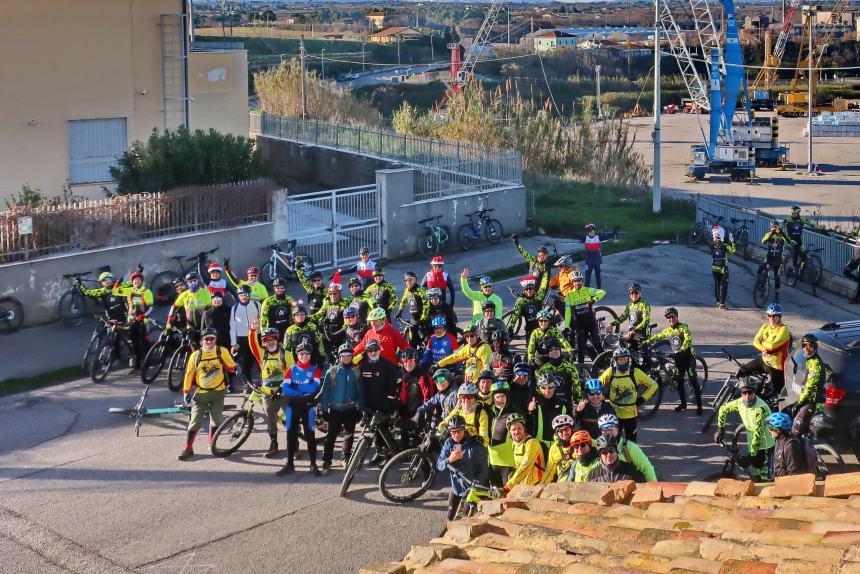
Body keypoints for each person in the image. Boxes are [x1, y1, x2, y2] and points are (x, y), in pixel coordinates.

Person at [178, 327, 237, 460]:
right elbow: (189, 374)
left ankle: (212, 445)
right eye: (206, 339)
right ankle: (188, 448)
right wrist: (186, 392)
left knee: (216, 421)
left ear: (216, 339)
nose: (209, 341)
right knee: (195, 422)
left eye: (212, 339)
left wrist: (236, 368)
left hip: (218, 392)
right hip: (201, 394)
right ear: (201, 340)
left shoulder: (221, 351)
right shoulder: (196, 355)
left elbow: (230, 364)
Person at [644, 307, 703, 414]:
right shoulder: (668, 330)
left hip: (688, 357)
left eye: (673, 317)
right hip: (678, 360)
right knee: (679, 382)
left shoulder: (683, 327)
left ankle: (699, 406)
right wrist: (645, 343)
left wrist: (680, 351)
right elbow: (657, 337)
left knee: (693, 381)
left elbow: (688, 339)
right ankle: (683, 404)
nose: (671, 319)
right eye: (668, 318)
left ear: (677, 317)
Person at [277, 343, 323, 476]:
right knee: (290, 435)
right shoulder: (291, 369)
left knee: (310, 436)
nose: (304, 356)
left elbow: (314, 388)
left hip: (308, 408)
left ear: (310, 355)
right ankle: (289, 464)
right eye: (301, 354)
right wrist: (303, 390)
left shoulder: (315, 370)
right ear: (297, 355)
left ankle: (313, 464)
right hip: (293, 407)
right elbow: (285, 389)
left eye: (307, 353)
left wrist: (295, 387)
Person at [715, 379, 775, 482]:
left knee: (764, 480)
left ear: (755, 392)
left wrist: (751, 457)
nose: (747, 396)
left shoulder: (762, 409)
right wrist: (721, 430)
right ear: (741, 393)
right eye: (744, 393)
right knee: (756, 474)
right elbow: (723, 409)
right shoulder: (739, 403)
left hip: (765, 446)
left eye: (750, 392)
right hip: (753, 443)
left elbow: (758, 435)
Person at [248, 321, 292, 458]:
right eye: (267, 340)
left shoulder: (287, 354)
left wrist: (282, 388)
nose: (270, 342)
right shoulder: (262, 354)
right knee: (271, 421)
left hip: (284, 392)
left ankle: (294, 444)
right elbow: (253, 345)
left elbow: (292, 373)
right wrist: (252, 330)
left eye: (273, 339)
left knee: (291, 419)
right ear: (264, 342)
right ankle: (274, 445)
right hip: (267, 393)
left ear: (277, 339)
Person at [319, 343, 364, 474]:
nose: (346, 357)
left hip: (350, 409)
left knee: (349, 435)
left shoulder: (356, 371)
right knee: (331, 436)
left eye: (349, 355)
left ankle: (346, 457)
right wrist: (324, 409)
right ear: (339, 357)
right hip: (335, 409)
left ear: (352, 356)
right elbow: (325, 391)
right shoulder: (332, 371)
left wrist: (360, 408)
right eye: (343, 355)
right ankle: (327, 461)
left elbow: (360, 391)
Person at [598, 347, 658, 442]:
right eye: (620, 359)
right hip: (614, 413)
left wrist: (643, 398)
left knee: (631, 443)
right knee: (614, 442)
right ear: (615, 360)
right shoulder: (611, 372)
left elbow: (654, 385)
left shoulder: (636, 372)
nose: (623, 362)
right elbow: (597, 384)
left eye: (625, 359)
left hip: (631, 414)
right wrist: (598, 397)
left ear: (629, 359)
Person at [437, 415, 489, 521]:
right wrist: (449, 459)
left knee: (464, 518)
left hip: (471, 487)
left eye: (459, 431)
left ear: (464, 430)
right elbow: (439, 465)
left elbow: (484, 469)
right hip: (456, 487)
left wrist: (475, 484)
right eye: (452, 432)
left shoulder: (475, 445)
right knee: (450, 517)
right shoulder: (449, 443)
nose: (455, 435)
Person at [357, 339, 401, 465]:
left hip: (383, 405)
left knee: (384, 430)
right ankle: (379, 452)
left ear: (380, 349)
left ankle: (388, 456)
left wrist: (387, 404)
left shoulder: (387, 365)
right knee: (375, 430)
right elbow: (360, 386)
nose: (373, 352)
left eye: (375, 349)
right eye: (370, 350)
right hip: (369, 405)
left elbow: (393, 387)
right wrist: (362, 405)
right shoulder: (362, 365)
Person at [738, 303, 791, 395]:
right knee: (741, 372)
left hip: (777, 366)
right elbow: (755, 341)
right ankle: (749, 394)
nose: (771, 318)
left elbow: (772, 346)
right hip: (764, 360)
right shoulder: (765, 327)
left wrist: (763, 343)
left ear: (780, 316)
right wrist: (764, 348)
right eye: (769, 315)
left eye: (774, 316)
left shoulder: (784, 330)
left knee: (780, 394)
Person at [790, 333, 833, 436]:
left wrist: (799, 403)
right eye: (804, 345)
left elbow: (810, 387)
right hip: (810, 400)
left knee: (795, 431)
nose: (806, 348)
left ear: (815, 346)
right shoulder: (812, 360)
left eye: (809, 345)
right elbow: (827, 370)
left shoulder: (815, 364)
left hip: (812, 402)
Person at [493, 413, 545, 496]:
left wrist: (507, 488)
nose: (517, 431)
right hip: (523, 485)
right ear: (509, 431)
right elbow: (518, 466)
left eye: (519, 428)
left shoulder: (532, 443)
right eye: (513, 429)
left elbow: (524, 467)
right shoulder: (514, 443)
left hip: (536, 485)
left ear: (524, 429)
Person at [563, 270, 606, 364]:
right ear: (572, 282)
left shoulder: (587, 290)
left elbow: (602, 292)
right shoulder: (569, 296)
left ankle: (606, 362)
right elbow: (567, 313)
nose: (577, 282)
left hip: (591, 323)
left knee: (596, 343)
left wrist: (592, 301)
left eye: (579, 280)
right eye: (575, 281)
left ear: (582, 281)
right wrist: (566, 326)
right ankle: (581, 370)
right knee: (581, 349)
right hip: (580, 326)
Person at [597, 414, 657, 482]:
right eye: (604, 430)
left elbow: (647, 468)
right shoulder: (599, 448)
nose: (608, 432)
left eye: (611, 428)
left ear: (617, 429)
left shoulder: (629, 447)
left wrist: (654, 489)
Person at [119, 270, 154, 374]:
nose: (136, 282)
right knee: (134, 343)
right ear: (132, 282)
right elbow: (116, 291)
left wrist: (143, 316)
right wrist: (116, 285)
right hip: (131, 320)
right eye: (135, 280)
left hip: (142, 321)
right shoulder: (129, 291)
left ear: (141, 281)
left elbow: (151, 307)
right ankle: (137, 366)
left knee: (143, 343)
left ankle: (147, 362)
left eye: (139, 280)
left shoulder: (146, 292)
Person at [608, 282, 652, 362]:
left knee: (645, 355)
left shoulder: (644, 304)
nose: (634, 295)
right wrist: (612, 324)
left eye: (636, 292)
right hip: (632, 333)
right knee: (628, 349)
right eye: (632, 293)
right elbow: (623, 317)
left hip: (642, 333)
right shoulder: (629, 306)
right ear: (629, 295)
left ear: (640, 293)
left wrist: (635, 330)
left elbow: (646, 320)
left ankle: (648, 368)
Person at [486, 381, 519, 487]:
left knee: (507, 493)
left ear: (507, 397)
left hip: (508, 462)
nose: (499, 400)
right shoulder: (489, 411)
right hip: (492, 460)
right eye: (497, 397)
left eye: (502, 396)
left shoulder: (514, 412)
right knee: (494, 492)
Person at [528, 374, 571, 450]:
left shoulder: (563, 404)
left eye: (550, 387)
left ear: (555, 388)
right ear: (539, 389)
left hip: (560, 445)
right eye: (543, 388)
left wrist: (577, 412)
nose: (547, 391)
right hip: (540, 445)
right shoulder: (535, 404)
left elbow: (571, 424)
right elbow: (529, 426)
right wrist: (530, 412)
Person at [311, 279, 350, 361]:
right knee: (330, 358)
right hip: (327, 334)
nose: (332, 295)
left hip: (340, 334)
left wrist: (336, 334)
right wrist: (307, 318)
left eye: (335, 293)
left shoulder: (345, 303)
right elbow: (319, 313)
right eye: (330, 293)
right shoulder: (327, 302)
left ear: (339, 293)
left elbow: (347, 323)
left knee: (341, 357)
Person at [230, 285, 260, 386]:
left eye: (246, 294)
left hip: (256, 336)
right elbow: (233, 327)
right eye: (241, 295)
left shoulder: (257, 304)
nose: (244, 297)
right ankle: (248, 383)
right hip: (242, 338)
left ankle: (263, 380)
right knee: (246, 361)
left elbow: (263, 321)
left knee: (259, 359)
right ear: (238, 296)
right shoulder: (234, 308)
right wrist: (233, 343)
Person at [536, 340, 581, 406]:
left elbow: (577, 387)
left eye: (556, 349)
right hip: (548, 404)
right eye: (550, 350)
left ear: (560, 350)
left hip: (566, 404)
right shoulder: (544, 369)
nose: (554, 351)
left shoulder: (570, 368)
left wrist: (578, 402)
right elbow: (538, 389)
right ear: (548, 353)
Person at [760, 220, 794, 303]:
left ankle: (777, 296)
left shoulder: (781, 236)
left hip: (778, 259)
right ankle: (761, 284)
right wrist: (772, 233)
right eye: (772, 227)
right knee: (761, 268)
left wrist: (781, 232)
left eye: (775, 227)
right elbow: (763, 241)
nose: (773, 228)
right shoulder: (769, 234)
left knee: (777, 278)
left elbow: (790, 243)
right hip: (769, 257)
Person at [507, 275, 548, 344]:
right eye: (526, 289)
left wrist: (545, 274)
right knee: (529, 351)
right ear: (524, 290)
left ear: (534, 289)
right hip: (529, 329)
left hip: (542, 327)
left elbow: (543, 286)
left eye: (530, 289)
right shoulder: (521, 302)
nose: (528, 291)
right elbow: (515, 316)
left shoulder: (538, 297)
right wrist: (510, 329)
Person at [398, 348, 433, 421]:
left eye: (410, 361)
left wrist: (423, 413)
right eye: (405, 362)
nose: (408, 364)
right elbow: (403, 397)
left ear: (416, 361)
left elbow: (428, 398)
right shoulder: (405, 376)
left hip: (421, 412)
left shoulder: (423, 376)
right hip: (409, 411)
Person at [541, 414, 577, 484]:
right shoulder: (554, 448)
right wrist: (541, 486)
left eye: (567, 429)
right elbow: (550, 471)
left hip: (579, 484)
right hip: (561, 485)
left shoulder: (580, 443)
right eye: (560, 431)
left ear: (572, 429)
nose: (564, 433)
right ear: (557, 433)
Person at [396, 271, 428, 347]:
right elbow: (403, 301)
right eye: (406, 280)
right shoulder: (407, 290)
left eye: (410, 280)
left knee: (426, 341)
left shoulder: (421, 290)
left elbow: (427, 305)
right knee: (412, 342)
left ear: (415, 280)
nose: (408, 282)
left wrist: (423, 318)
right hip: (413, 319)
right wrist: (399, 311)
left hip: (422, 320)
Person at [768, 412, 803, 478]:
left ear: (778, 429)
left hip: (787, 484)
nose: (769, 430)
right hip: (779, 480)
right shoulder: (779, 440)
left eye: (771, 428)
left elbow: (793, 473)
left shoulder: (791, 446)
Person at [710, 225, 736, 309]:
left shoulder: (712, 245)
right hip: (723, 269)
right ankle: (722, 304)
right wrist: (732, 242)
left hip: (714, 268)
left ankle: (718, 302)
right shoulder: (725, 246)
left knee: (717, 285)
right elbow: (733, 250)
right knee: (724, 286)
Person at [783, 205, 814, 270]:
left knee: (804, 254)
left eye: (795, 213)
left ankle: (801, 271)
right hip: (790, 240)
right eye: (792, 213)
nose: (793, 214)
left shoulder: (803, 218)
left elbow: (811, 224)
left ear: (798, 213)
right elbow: (780, 226)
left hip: (798, 240)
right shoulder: (788, 220)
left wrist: (820, 229)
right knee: (797, 249)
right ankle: (794, 267)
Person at [583, 224, 603, 288]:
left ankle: (599, 290)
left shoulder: (598, 237)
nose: (591, 232)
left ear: (594, 231)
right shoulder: (585, 238)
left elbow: (609, 236)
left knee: (598, 276)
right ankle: (585, 291)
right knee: (587, 277)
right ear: (588, 232)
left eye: (592, 231)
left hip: (597, 260)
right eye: (589, 231)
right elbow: (574, 235)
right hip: (589, 261)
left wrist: (614, 232)